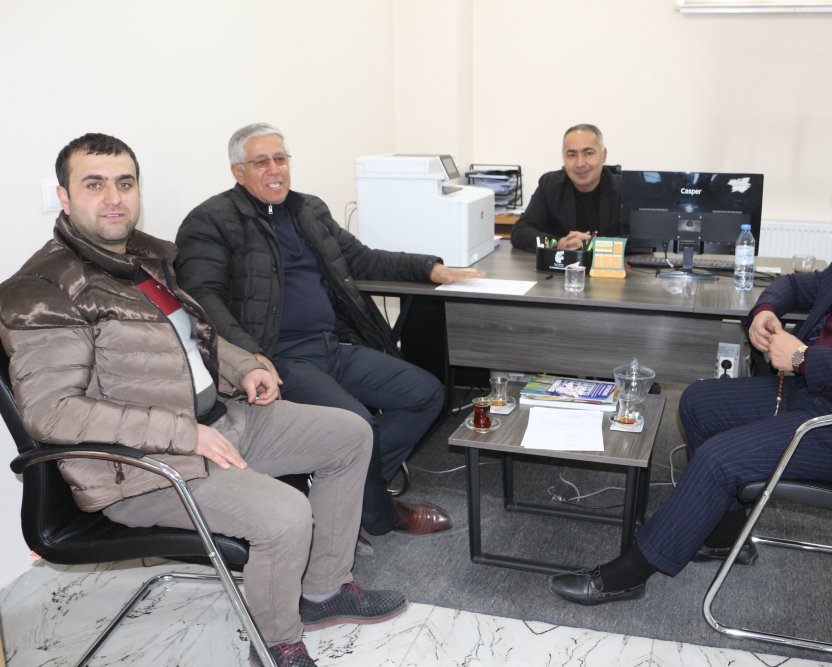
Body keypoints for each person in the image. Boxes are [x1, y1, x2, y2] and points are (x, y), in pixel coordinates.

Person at [0, 133, 406, 667]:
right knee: (287, 514)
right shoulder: (42, 290)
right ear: (64, 196)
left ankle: (325, 592)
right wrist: (186, 434)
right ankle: (277, 645)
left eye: (125, 183)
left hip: (219, 421)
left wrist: (245, 367)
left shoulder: (147, 259)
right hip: (141, 468)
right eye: (94, 185)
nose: (114, 198)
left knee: (349, 434)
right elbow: (52, 412)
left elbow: (196, 337)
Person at [549, 153, 832, 605]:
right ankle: (726, 536)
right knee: (698, 401)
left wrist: (803, 357)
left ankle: (630, 573)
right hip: (822, 396)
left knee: (718, 459)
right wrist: (766, 309)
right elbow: (797, 285)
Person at [174, 123, 483, 545]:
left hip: (330, 347)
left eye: (280, 158)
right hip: (278, 359)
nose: (274, 169)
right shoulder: (211, 221)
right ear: (237, 171)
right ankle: (378, 514)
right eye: (261, 162)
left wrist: (431, 269)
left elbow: (360, 258)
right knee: (357, 424)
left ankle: (344, 490)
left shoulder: (308, 210)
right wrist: (247, 355)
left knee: (427, 394)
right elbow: (202, 298)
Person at [509, 123, 622, 252]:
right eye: (571, 155)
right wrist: (557, 244)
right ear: (564, 158)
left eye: (589, 153)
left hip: (609, 265)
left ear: (603, 155)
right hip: (562, 264)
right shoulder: (550, 185)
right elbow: (520, 232)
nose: (580, 163)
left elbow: (637, 241)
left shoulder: (623, 189)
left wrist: (594, 245)